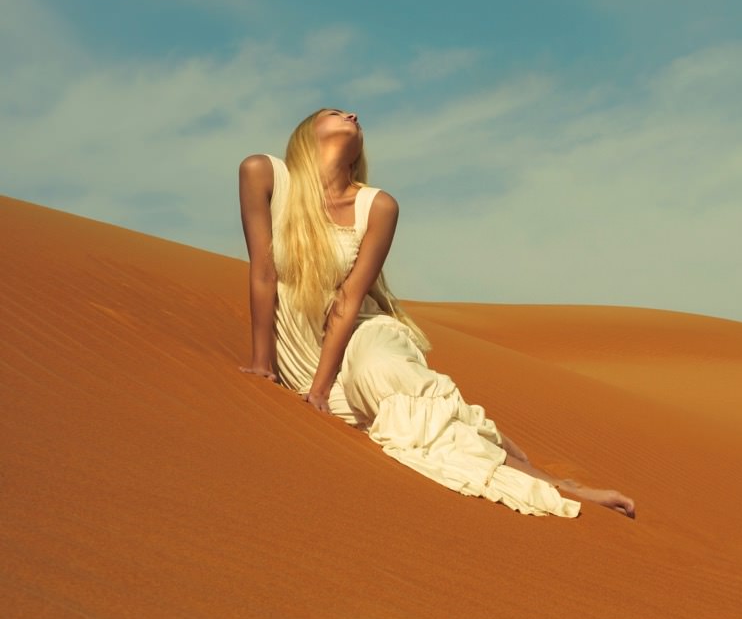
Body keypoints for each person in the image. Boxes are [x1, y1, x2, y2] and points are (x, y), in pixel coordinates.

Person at [238, 108, 635, 518]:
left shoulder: (378, 206)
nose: (352, 115)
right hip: (300, 354)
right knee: (409, 432)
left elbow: (349, 299)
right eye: (336, 113)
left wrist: (319, 390)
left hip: (360, 332)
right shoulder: (263, 174)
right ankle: (535, 471)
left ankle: (555, 485)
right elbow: (264, 273)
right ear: (306, 133)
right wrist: (262, 363)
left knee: (386, 378)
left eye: (353, 116)